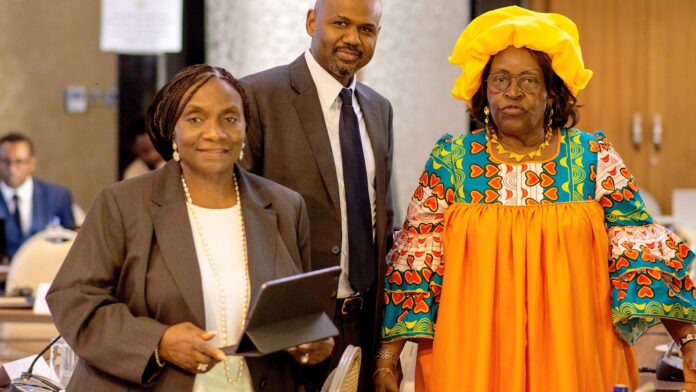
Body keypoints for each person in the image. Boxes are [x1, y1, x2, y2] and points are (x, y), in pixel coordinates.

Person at [374, 6, 696, 392]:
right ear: (483, 90)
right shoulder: (451, 161)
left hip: (576, 351)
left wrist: (688, 341)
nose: (513, 92)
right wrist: (387, 359)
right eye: (500, 80)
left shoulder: (593, 158)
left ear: (552, 92)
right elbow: (417, 261)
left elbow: (641, 254)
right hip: (472, 356)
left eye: (528, 80)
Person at [46, 64, 333, 392]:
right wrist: (159, 342)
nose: (215, 133)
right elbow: (74, 298)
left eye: (230, 118)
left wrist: (314, 347)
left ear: (245, 129)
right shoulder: (122, 203)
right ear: (173, 131)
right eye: (196, 118)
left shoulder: (285, 206)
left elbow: (297, 314)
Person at [240, 0, 393, 388]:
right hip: (291, 329)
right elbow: (243, 220)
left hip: (363, 324)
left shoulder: (379, 109)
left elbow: (382, 217)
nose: (352, 38)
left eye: (366, 29)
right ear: (312, 21)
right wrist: (288, 323)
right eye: (340, 23)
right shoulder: (257, 95)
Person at [0, 132, 74, 258]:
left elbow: (70, 245)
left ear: (32, 163)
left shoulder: (58, 196)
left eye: (19, 162)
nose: (12, 169)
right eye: (6, 162)